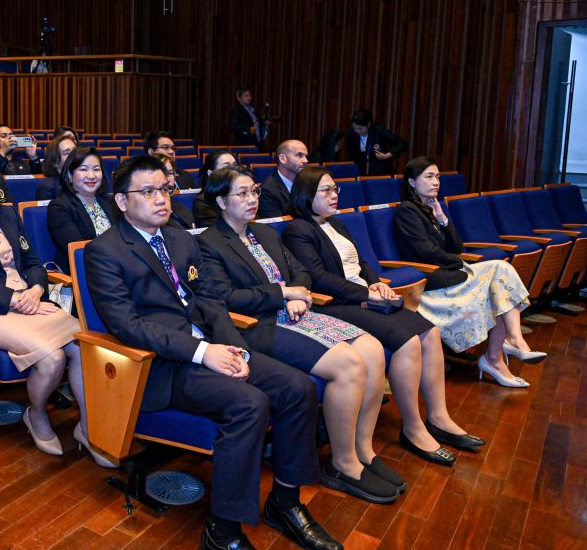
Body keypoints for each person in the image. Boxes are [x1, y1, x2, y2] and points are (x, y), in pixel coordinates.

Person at [84, 154, 340, 550]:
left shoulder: (181, 238)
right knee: (250, 404)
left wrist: (236, 349)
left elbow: (210, 301)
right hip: (160, 365)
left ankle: (285, 501)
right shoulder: (104, 250)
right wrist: (203, 352)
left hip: (212, 345)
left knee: (298, 388)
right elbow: (128, 326)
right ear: (121, 201)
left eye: (164, 189)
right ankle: (222, 532)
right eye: (147, 192)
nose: (161, 199)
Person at [199, 165, 401, 503]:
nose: (252, 199)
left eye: (255, 192)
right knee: (349, 364)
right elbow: (226, 297)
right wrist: (283, 294)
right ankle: (342, 464)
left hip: (296, 313)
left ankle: (363, 450)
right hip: (258, 325)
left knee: (372, 348)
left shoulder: (264, 232)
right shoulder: (209, 243)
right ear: (221, 201)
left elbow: (301, 271)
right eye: (242, 194)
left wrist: (298, 293)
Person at [283, 166, 486, 466]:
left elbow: (361, 263)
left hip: (363, 296)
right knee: (408, 341)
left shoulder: (336, 223)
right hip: (337, 304)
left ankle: (439, 417)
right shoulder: (299, 230)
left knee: (430, 332)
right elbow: (319, 278)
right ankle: (413, 428)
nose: (334, 195)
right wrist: (367, 294)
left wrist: (376, 282)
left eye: (335, 189)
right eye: (325, 190)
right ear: (306, 194)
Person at [0, 154, 112, 467]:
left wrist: (37, 289)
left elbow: (32, 262)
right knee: (53, 358)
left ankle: (88, 428)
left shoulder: (7, 215)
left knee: (85, 346)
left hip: (30, 300)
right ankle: (36, 414)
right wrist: (14, 299)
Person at [393, 157, 543, 388]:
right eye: (429, 176)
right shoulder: (407, 211)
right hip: (430, 280)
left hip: (447, 271)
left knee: (502, 272)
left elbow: (456, 247)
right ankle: (497, 355)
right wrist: (457, 263)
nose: (436, 182)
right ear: (412, 182)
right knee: (498, 280)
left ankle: (512, 340)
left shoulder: (430, 209)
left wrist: (443, 219)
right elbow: (425, 252)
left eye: (438, 177)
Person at [46, 146, 114, 274]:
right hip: (85, 273)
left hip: (117, 267)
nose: (91, 176)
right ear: (69, 175)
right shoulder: (59, 207)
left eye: (96, 169)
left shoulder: (110, 201)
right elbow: (80, 252)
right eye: (83, 169)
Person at [345, 109, 408, 176]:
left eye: (360, 128)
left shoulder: (379, 131)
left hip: (381, 173)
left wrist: (386, 155)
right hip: (361, 174)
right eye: (355, 128)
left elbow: (403, 143)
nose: (357, 131)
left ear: (368, 124)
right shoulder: (351, 134)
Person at [258, 139, 308, 219]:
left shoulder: (308, 182)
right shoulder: (267, 190)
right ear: (282, 159)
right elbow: (277, 224)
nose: (306, 160)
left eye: (305, 156)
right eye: (299, 155)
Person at [192, 150, 236, 228]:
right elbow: (220, 230)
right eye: (227, 167)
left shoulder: (244, 194)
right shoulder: (202, 202)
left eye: (235, 165)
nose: (234, 171)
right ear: (211, 173)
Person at [155, 154, 195, 230]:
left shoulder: (181, 208)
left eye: (170, 173)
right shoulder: (151, 213)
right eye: (163, 173)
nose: (168, 179)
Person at [35, 131, 76, 200]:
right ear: (55, 162)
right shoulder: (47, 187)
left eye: (75, 151)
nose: (74, 155)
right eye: (67, 153)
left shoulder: (87, 180)